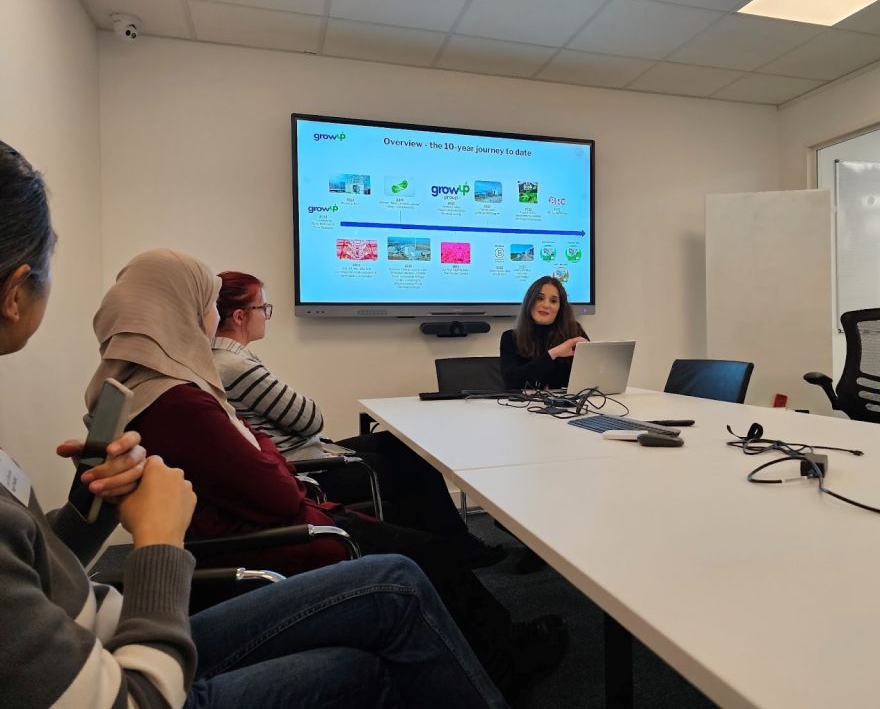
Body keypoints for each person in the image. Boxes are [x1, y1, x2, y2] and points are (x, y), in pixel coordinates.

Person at [0, 141, 508, 709]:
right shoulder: (182, 397)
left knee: (391, 579)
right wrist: (159, 540)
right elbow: (282, 460)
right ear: (17, 293)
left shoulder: (148, 392)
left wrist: (89, 507)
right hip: (147, 647)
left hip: (115, 625)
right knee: (398, 580)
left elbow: (35, 567)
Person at [86, 248, 567, 701]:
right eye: (206, 304)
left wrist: (262, 449)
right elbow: (276, 478)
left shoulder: (141, 387)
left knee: (414, 510)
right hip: (287, 532)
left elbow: (260, 456)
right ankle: (503, 660)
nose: (213, 318)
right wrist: (265, 450)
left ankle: (492, 643)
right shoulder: (181, 400)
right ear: (181, 311)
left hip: (274, 520)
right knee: (429, 555)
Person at [211, 271, 505, 568]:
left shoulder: (227, 359)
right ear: (239, 316)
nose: (266, 315)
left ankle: (454, 544)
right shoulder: (235, 364)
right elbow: (310, 419)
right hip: (307, 468)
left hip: (305, 453)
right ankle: (451, 550)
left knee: (403, 447)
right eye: (263, 308)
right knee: (410, 471)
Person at [500, 276, 589, 391]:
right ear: (530, 302)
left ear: (560, 308)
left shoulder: (574, 331)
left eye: (553, 301)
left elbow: (591, 374)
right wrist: (553, 354)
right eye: (540, 298)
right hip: (523, 407)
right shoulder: (510, 338)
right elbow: (511, 383)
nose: (546, 305)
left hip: (567, 405)